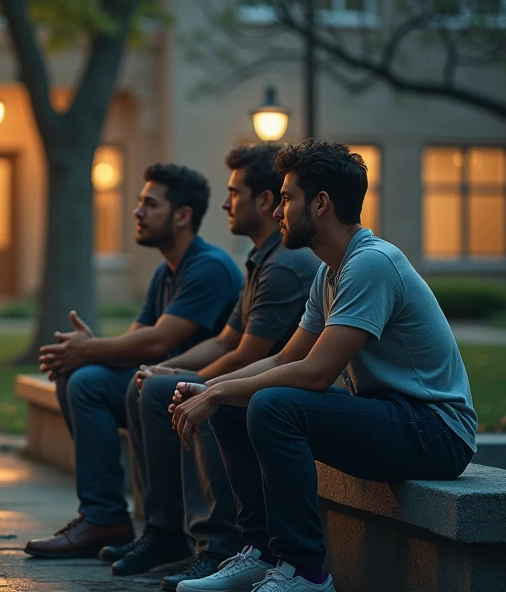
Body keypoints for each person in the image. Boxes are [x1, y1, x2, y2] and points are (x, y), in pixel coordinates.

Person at [170, 140, 477, 592]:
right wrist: (210, 388)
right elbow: (283, 357)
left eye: (288, 198)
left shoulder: (371, 264)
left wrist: (216, 391)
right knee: (240, 402)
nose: (278, 210)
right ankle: (262, 553)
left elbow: (315, 373)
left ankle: (305, 573)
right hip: (393, 414)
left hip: (436, 429)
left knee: (273, 405)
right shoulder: (330, 271)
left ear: (321, 204)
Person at [107, 145, 320, 587]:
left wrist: (201, 385)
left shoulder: (285, 266)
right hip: (262, 385)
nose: (225, 204)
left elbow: (249, 356)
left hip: (275, 393)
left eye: (234, 193)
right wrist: (169, 370)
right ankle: (164, 530)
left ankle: (217, 545)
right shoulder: (261, 259)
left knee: (190, 395)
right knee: (154, 385)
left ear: (263, 201)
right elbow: (227, 341)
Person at [23, 163, 244, 560]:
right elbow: (137, 340)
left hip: (195, 388)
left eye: (149, 204)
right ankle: (102, 515)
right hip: (155, 389)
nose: (137, 212)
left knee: (90, 376)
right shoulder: (166, 271)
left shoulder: (209, 266)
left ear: (183, 216)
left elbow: (159, 342)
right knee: (80, 376)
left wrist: (87, 349)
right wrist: (87, 349)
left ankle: (137, 525)